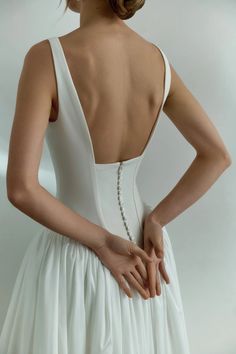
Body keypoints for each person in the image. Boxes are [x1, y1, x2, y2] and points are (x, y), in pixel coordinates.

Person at [0, 0, 231, 353]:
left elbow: (22, 189)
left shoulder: (46, 58)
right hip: (146, 257)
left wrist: (102, 241)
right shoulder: (157, 61)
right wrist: (156, 219)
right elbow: (217, 155)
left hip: (76, 258)